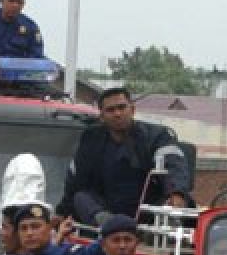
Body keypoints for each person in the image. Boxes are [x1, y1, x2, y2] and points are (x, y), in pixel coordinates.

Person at [57, 87, 191, 225]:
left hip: (147, 209)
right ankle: (112, 227)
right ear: (101, 116)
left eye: (122, 107)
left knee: (174, 203)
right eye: (110, 110)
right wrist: (61, 213)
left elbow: (174, 164)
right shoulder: (90, 139)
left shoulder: (157, 135)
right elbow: (75, 180)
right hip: (106, 210)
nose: (117, 114)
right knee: (81, 198)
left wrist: (177, 192)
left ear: (132, 110)